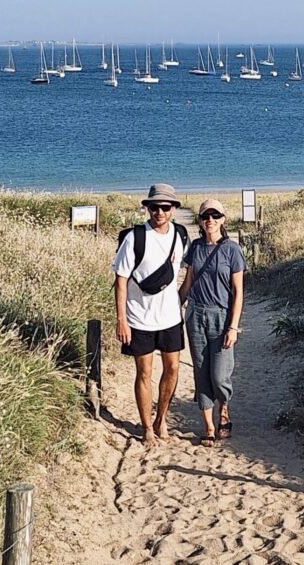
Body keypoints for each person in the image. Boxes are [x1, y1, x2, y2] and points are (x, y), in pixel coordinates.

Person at [113, 183, 189, 447]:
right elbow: (120, 281)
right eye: (154, 207)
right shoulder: (134, 238)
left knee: (173, 369)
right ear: (146, 208)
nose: (159, 212)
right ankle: (146, 426)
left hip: (170, 318)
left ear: (173, 210)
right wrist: (121, 319)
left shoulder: (181, 236)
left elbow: (187, 270)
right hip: (139, 319)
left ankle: (161, 419)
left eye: (165, 207)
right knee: (144, 372)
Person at [179, 198, 246, 447]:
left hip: (221, 315)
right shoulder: (195, 248)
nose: (210, 220)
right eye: (205, 216)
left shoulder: (232, 250)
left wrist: (233, 327)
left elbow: (238, 291)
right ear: (199, 220)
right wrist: (173, 307)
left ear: (223, 219)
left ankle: (224, 409)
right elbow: (188, 282)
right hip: (195, 314)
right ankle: (208, 425)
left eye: (215, 216)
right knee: (200, 371)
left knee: (220, 375)